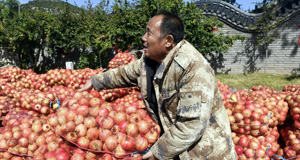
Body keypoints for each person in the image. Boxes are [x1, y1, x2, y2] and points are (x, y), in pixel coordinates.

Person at [79, 11, 237, 160]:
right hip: (177, 148)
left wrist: (159, 151)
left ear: (168, 41)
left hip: (204, 154)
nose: (143, 38)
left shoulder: (193, 68)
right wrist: (95, 81)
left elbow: (191, 125)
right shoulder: (150, 61)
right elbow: (125, 73)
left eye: (149, 33)